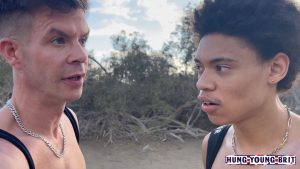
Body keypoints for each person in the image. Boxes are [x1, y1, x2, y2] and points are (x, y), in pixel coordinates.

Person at [193, 0, 300, 168]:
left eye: (221, 67)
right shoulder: (213, 144)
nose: (202, 83)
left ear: (275, 69)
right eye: (200, 67)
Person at [0, 0, 89, 168]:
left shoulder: (69, 120)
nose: (82, 55)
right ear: (12, 52)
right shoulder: (7, 159)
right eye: (58, 40)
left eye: (82, 40)